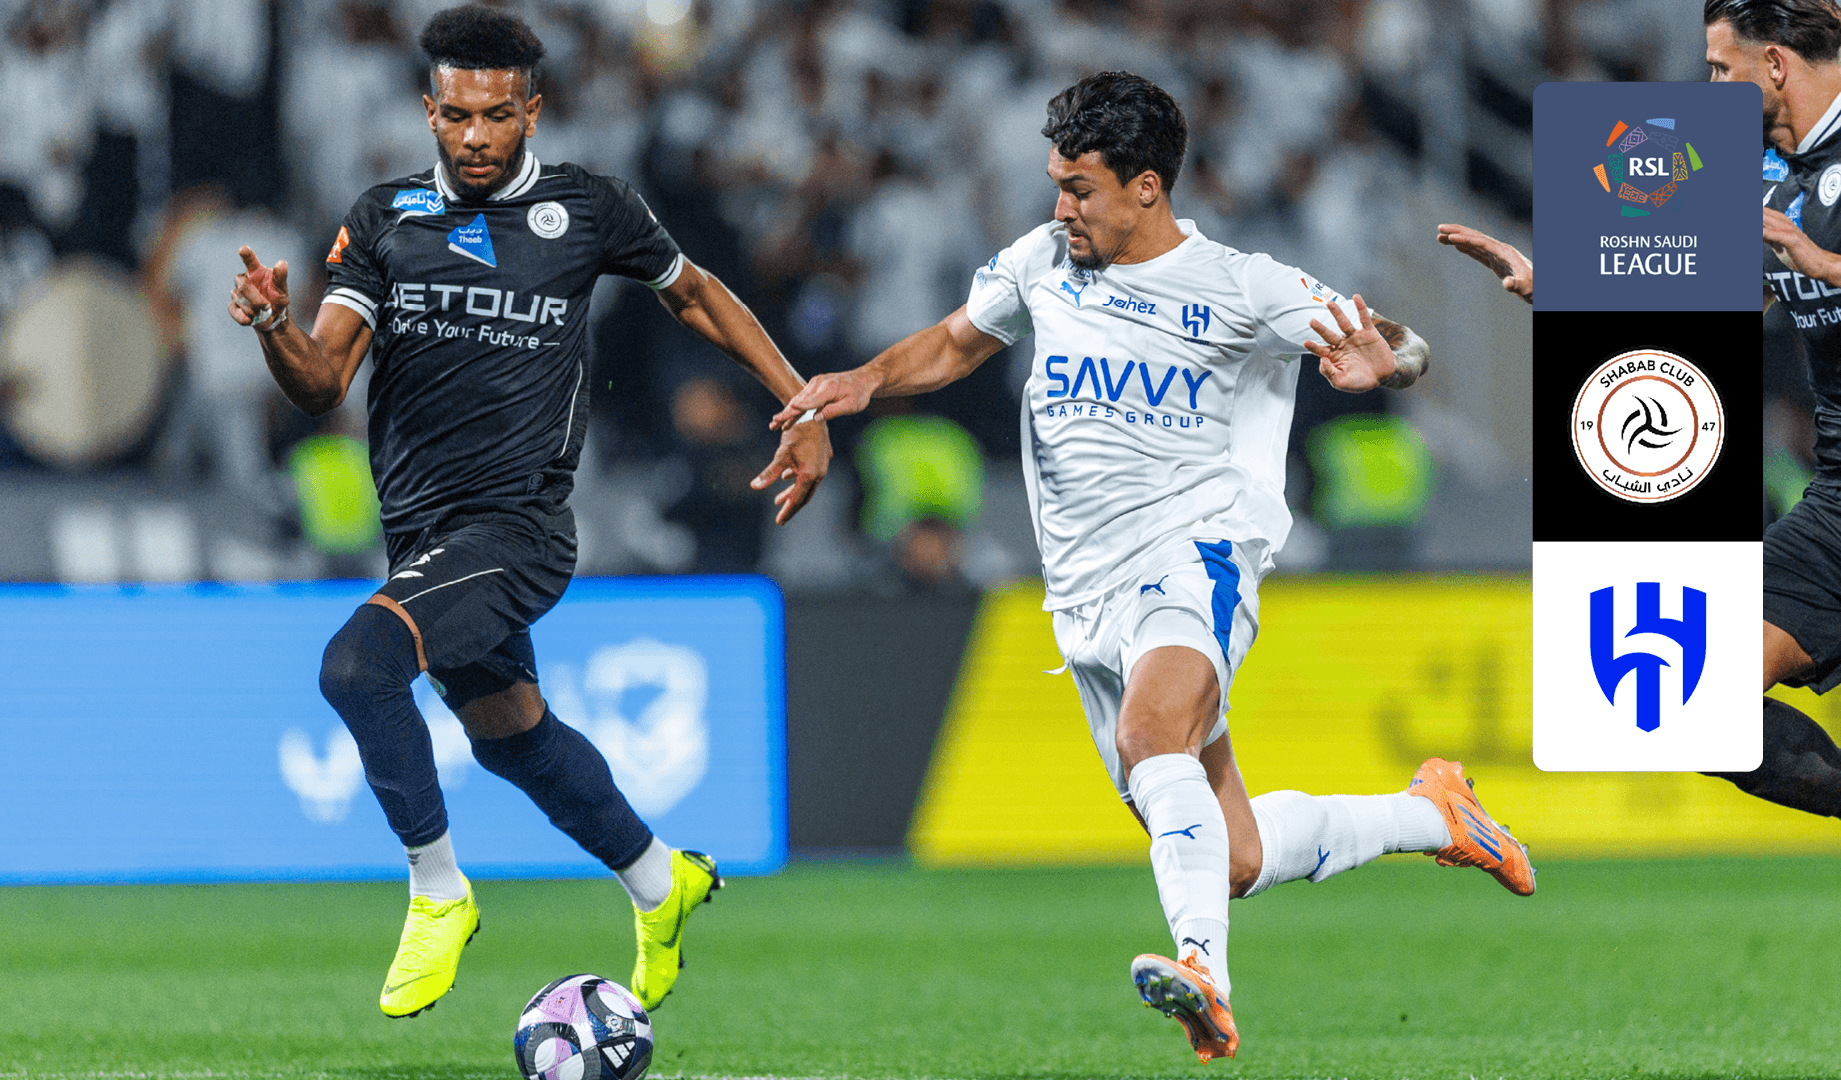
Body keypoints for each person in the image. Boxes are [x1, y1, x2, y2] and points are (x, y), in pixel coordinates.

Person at [771, 71, 1532, 1064]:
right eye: (1057, 185)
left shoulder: (1242, 284)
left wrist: (1385, 363)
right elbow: (957, 343)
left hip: (1195, 553)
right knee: (1235, 855)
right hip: (1081, 595)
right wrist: (865, 381)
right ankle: (1432, 815)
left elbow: (1403, 341)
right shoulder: (1041, 261)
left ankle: (1203, 972)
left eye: (1079, 189)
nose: (1061, 208)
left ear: (1145, 187)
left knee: (1150, 734)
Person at [226, 4, 830, 1020]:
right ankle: (659, 880)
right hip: (424, 538)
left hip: (519, 530)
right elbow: (322, 380)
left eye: (496, 116)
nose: (475, 136)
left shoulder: (587, 209)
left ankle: (438, 890)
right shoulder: (383, 220)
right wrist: (274, 327)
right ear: (429, 110)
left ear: (532, 112)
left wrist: (800, 402)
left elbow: (695, 294)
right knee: (508, 734)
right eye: (457, 115)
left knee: (357, 667)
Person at [1698, 0, 1841, 816]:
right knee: (1693, 702)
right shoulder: (1764, 177)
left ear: (1776, 66)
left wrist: (1827, 263)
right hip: (1835, 507)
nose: (1712, 90)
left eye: (1722, 70)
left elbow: (1813, 263)